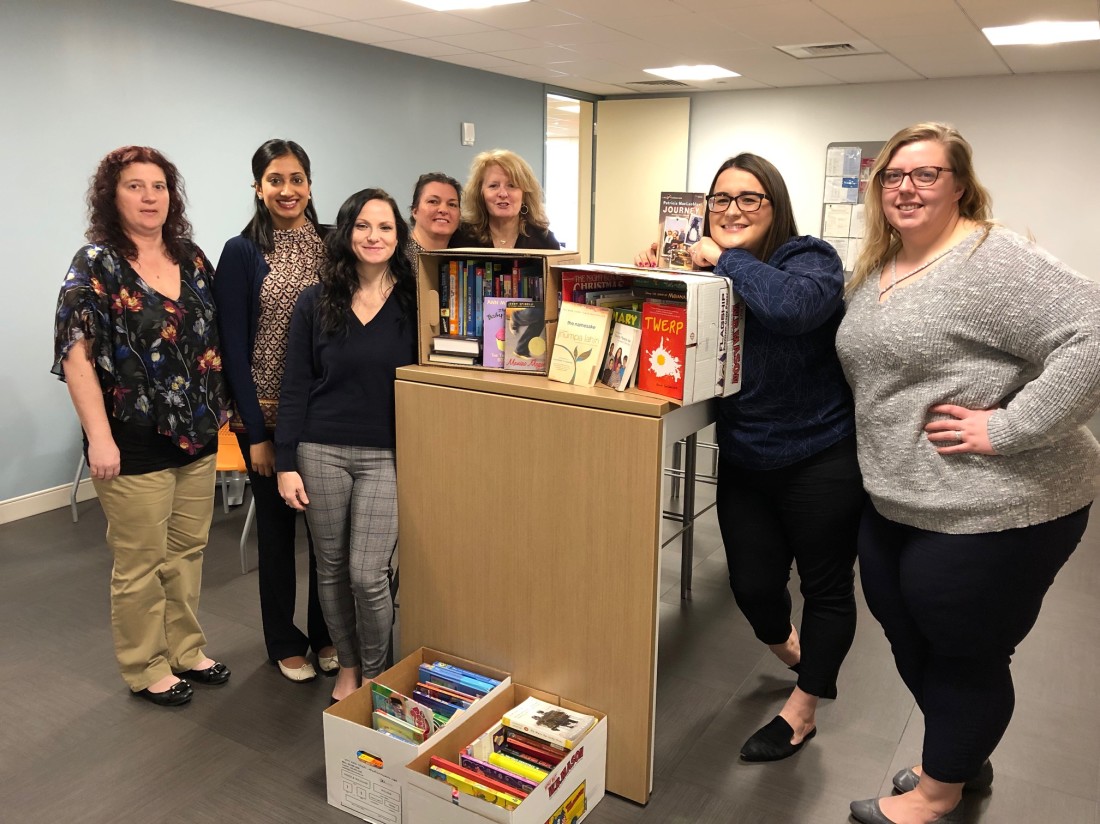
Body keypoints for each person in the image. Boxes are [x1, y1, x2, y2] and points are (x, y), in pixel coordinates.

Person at [836, 122, 1100, 824]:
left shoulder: (991, 257)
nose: (907, 187)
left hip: (1001, 504)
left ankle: (939, 794)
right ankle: (959, 749)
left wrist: (1008, 427)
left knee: (965, 653)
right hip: (899, 499)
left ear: (959, 185)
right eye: (893, 175)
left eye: (926, 174)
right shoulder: (878, 266)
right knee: (908, 635)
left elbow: (1095, 332)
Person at [636, 153, 865, 763]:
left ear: (774, 204)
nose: (732, 210)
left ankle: (804, 707)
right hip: (744, 455)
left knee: (825, 588)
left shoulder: (810, 258)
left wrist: (723, 256)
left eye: (749, 198)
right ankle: (794, 653)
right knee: (753, 585)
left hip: (820, 454)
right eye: (721, 199)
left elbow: (790, 309)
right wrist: (658, 276)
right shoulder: (709, 266)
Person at [52, 146, 232, 707]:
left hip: (197, 432)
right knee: (140, 562)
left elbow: (214, 338)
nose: (149, 197)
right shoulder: (95, 264)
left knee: (187, 552)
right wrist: (100, 438)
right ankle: (145, 665)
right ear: (112, 196)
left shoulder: (192, 258)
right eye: (135, 186)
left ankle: (184, 649)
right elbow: (76, 357)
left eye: (159, 186)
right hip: (131, 437)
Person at [275, 188, 418, 702]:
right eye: (362, 225)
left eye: (384, 227)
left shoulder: (416, 301)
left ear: (399, 236)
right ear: (346, 233)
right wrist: (285, 462)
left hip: (388, 454)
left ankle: (378, 673)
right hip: (320, 449)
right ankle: (350, 666)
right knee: (331, 568)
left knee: (368, 573)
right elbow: (295, 386)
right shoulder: (316, 301)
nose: (373, 236)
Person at [213, 139, 337, 684]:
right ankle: (284, 640)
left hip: (324, 413)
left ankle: (327, 633)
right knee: (278, 533)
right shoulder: (241, 252)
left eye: (297, 179)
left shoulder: (332, 244)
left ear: (310, 183)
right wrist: (257, 435)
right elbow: (233, 348)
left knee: (328, 535)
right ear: (258, 188)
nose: (288, 190)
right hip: (263, 417)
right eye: (275, 180)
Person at [452, 149, 560, 250]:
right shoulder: (461, 237)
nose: (503, 194)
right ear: (480, 194)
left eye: (512, 185)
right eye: (493, 186)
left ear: (525, 194)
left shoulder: (545, 242)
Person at [405, 172, 462, 274]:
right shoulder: (396, 258)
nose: (444, 210)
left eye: (452, 204)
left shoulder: (462, 263)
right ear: (415, 211)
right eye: (433, 201)